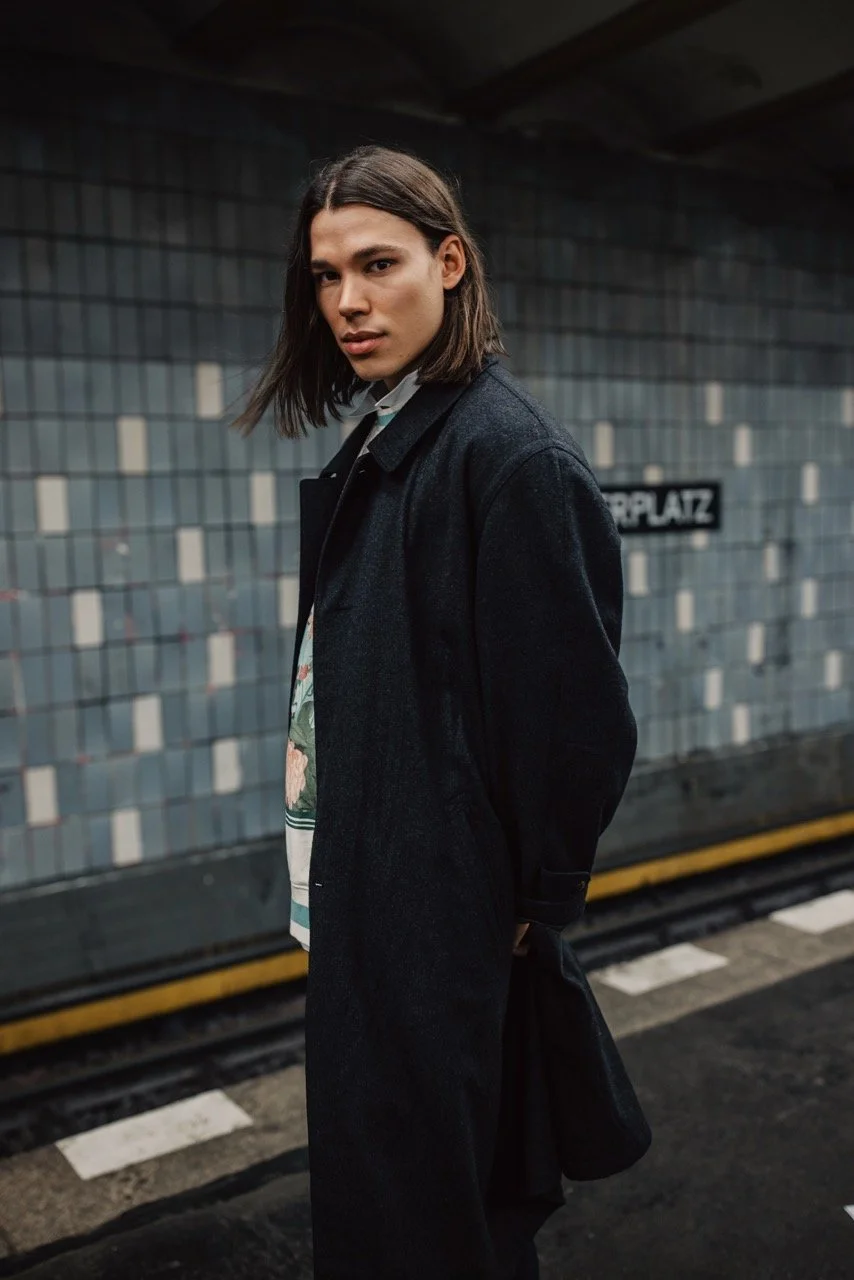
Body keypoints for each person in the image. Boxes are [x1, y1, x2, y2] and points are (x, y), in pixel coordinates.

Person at [233, 145, 639, 1280]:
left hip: (432, 915)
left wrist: (531, 896)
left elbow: (574, 715)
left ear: (448, 262)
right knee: (424, 1202)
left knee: (424, 1218)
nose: (347, 302)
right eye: (324, 276)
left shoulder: (504, 458)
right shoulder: (394, 429)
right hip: (382, 896)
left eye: (376, 264)